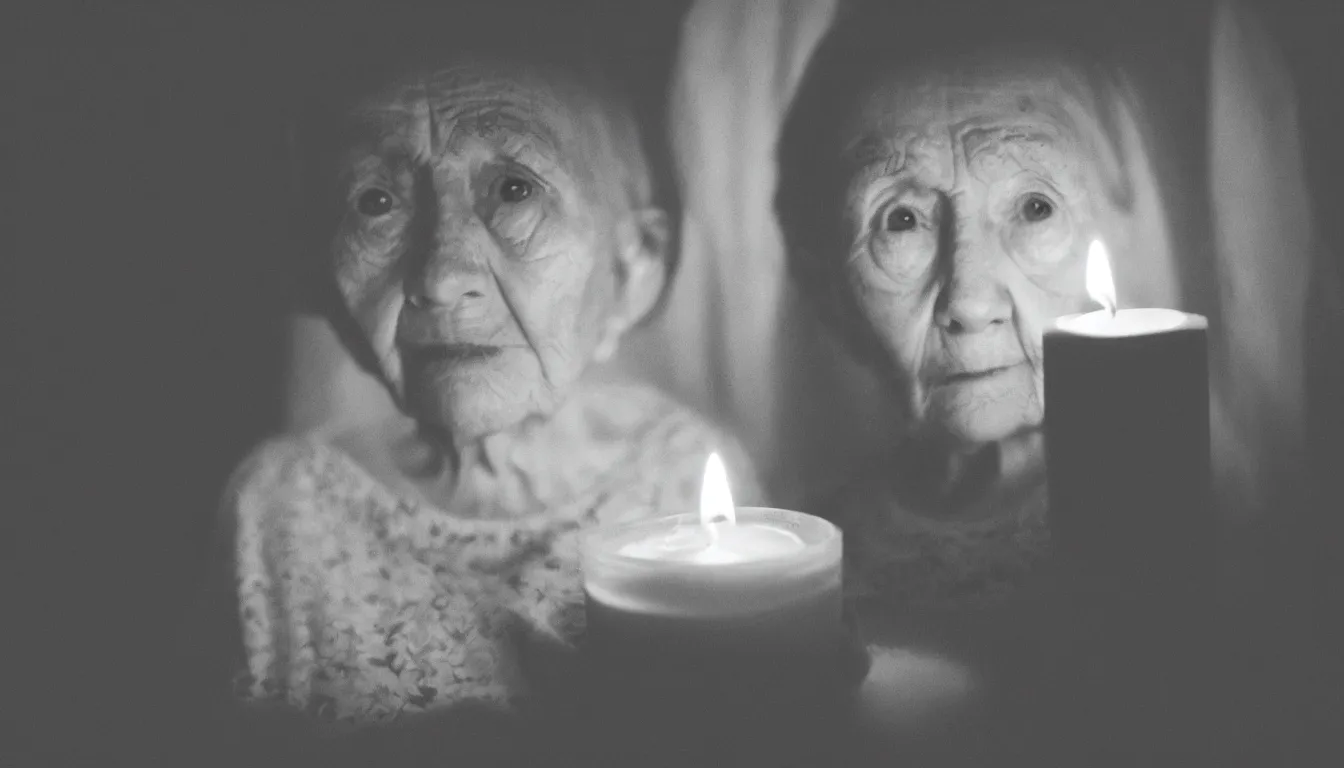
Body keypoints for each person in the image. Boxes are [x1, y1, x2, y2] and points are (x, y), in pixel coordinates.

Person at [183, 2, 759, 753]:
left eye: (514, 189)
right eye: (377, 201)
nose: (443, 274)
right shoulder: (279, 507)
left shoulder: (687, 479)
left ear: (633, 269)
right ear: (328, 285)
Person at [776, 1, 1144, 623]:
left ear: (1116, 236)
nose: (971, 303)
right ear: (826, 292)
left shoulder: (1183, 518)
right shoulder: (795, 563)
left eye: (1034, 208)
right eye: (902, 220)